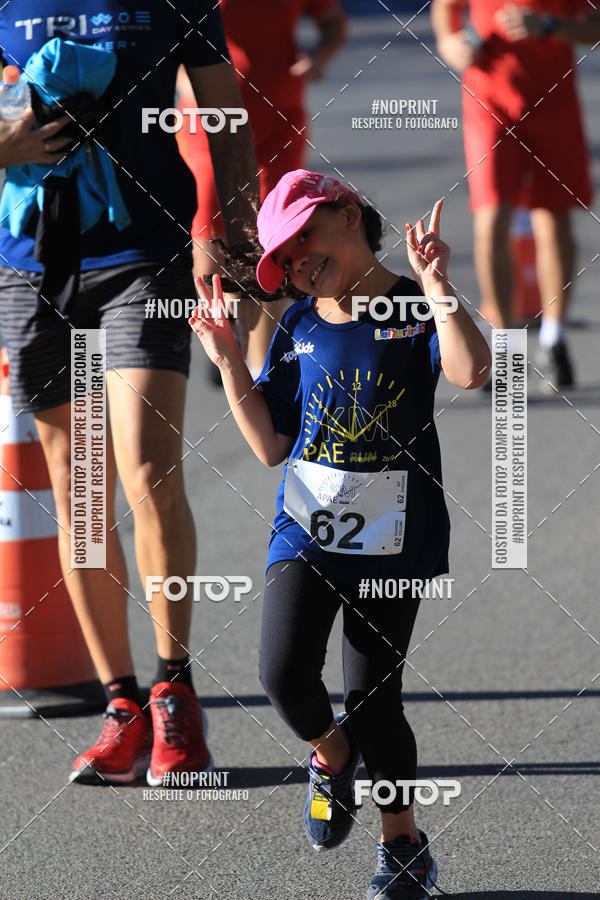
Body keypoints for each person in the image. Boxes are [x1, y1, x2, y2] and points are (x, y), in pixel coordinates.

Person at [190, 169, 491, 899]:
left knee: (374, 699)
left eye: (304, 240)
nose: (296, 264)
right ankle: (331, 756)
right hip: (306, 530)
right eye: (283, 258)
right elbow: (269, 445)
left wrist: (439, 285)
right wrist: (231, 362)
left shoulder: (413, 305)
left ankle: (404, 846)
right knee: (282, 673)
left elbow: (472, 370)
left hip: (396, 535)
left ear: (349, 215)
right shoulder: (298, 324)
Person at [0, 1, 257, 785]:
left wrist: (231, 229)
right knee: (81, 491)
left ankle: (174, 692)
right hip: (31, 261)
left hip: (145, 254)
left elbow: (226, 115)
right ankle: (121, 707)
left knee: (148, 472)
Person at [432, 0, 599, 390]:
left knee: (552, 218)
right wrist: (447, 40)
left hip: (552, 101)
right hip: (488, 100)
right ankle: (504, 348)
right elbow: (446, 8)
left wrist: (549, 25)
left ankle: (553, 339)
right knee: (491, 217)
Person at [176, 0, 347, 379]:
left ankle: (261, 365)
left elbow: (333, 22)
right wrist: (183, 77)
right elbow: (163, 35)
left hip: (278, 121)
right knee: (209, 228)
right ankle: (225, 327)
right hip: (211, 120)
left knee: (272, 235)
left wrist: (318, 55)